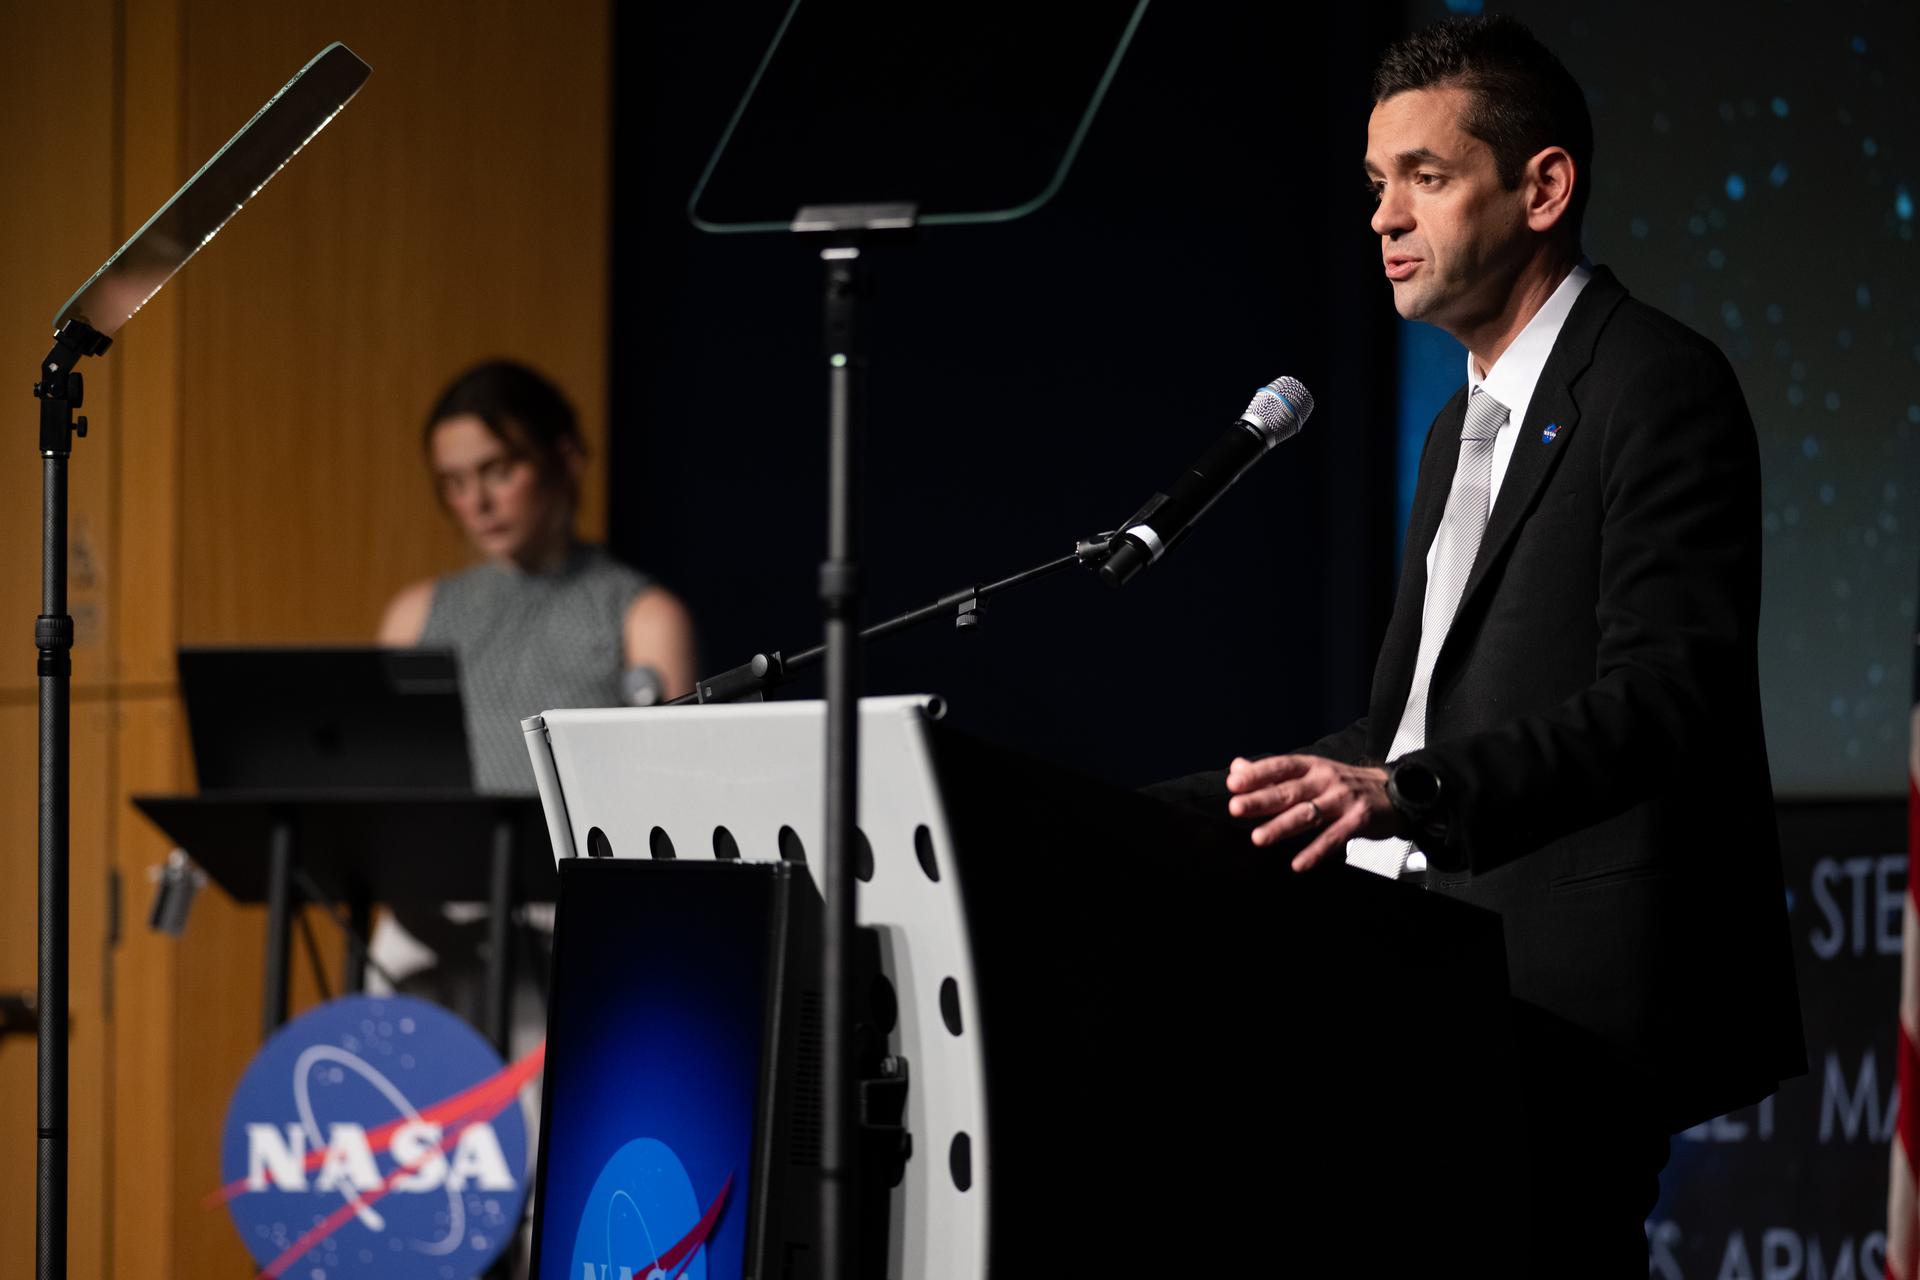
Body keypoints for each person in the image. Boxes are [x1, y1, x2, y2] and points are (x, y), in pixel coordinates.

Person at [1206, 15, 1801, 1269]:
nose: (1383, 217)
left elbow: (1666, 696)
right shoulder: (1453, 429)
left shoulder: (1655, 386)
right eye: (1377, 184)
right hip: (1415, 992)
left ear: (1543, 188)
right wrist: (1201, 804)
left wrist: (1407, 792)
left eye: (1425, 177)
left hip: (1557, 1018)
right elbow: (1411, 723)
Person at [379, 358, 695, 792]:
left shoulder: (642, 618)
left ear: (565, 459)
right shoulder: (415, 616)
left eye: (500, 472)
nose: (477, 502)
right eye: (455, 483)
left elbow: (671, 793)